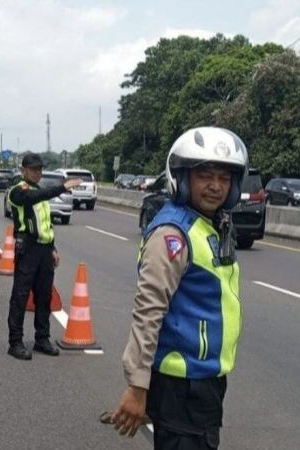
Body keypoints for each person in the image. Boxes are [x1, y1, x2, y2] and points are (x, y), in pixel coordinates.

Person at [110, 127, 248, 449]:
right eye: (205, 177)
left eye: (224, 178)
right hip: (182, 385)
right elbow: (148, 311)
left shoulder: (208, 226)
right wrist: (137, 385)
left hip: (202, 380)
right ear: (183, 178)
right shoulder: (174, 233)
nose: (215, 186)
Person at [6, 153, 82, 360]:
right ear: (23, 170)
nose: (38, 173)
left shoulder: (40, 193)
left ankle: (42, 338)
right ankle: (15, 342)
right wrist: (63, 187)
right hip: (27, 249)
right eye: (33, 169)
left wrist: (52, 248)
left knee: (44, 296)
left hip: (44, 251)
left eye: (40, 169)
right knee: (20, 296)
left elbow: (46, 224)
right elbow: (33, 198)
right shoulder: (18, 191)